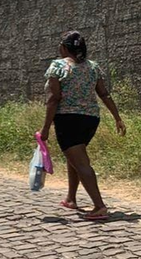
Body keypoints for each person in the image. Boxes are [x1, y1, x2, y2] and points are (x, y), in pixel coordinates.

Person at [41, 30, 126, 221]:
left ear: (64, 47)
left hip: (68, 120)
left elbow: (53, 98)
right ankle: (71, 198)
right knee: (76, 155)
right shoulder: (93, 67)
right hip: (90, 120)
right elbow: (104, 94)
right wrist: (117, 117)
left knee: (80, 162)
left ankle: (99, 206)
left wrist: (45, 127)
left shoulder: (58, 66)